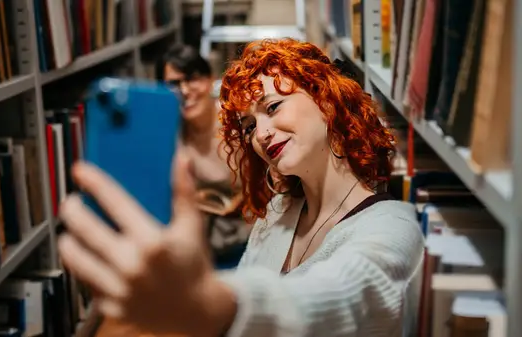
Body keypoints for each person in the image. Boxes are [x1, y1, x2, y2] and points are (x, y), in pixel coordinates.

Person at [58, 38, 425, 336]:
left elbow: (343, 295)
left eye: (273, 107)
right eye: (249, 126)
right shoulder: (281, 210)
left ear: (325, 100)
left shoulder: (395, 224)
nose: (261, 134)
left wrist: (209, 304)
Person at [156, 44, 250, 269]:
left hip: (249, 241)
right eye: (174, 84)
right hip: (200, 250)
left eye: (192, 79)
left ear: (209, 80)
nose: (185, 90)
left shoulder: (238, 120)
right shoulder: (168, 133)